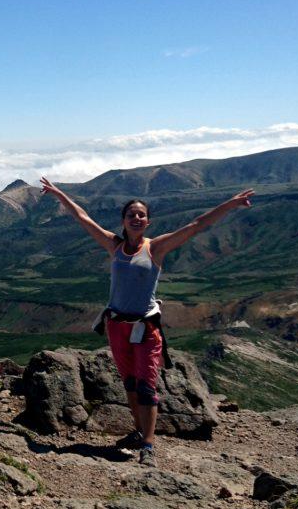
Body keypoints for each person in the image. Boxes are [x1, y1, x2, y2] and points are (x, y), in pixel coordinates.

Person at [38, 177, 254, 466]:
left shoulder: (155, 249)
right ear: (123, 221)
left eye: (141, 215)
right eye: (131, 215)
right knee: (129, 384)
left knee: (146, 387)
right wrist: (59, 194)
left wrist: (230, 204)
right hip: (116, 325)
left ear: (148, 221)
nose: (136, 218)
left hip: (145, 327)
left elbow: (197, 225)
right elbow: (82, 217)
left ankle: (149, 446)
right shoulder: (113, 245)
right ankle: (139, 431)